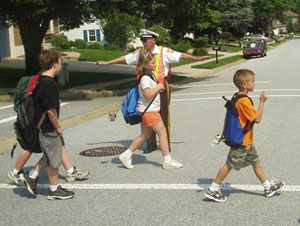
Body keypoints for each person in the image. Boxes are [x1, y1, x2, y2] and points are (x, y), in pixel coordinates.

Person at [97, 29, 210, 154]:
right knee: (147, 115)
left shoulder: (163, 51)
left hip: (161, 88)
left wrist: (196, 59)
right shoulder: (140, 52)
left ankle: (165, 144)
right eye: (142, 40)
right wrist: (107, 62)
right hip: (145, 88)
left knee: (163, 115)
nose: (143, 43)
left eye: (145, 40)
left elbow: (181, 55)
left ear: (153, 40)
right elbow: (125, 58)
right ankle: (151, 145)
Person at [205, 69, 285, 203]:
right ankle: (213, 189)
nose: (254, 83)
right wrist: (262, 102)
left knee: (256, 163)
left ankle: (268, 187)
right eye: (252, 81)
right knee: (229, 165)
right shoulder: (244, 101)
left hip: (247, 141)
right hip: (242, 142)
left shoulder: (237, 96)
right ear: (244, 84)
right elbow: (257, 119)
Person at [19, 50, 74, 200]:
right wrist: (58, 127)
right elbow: (50, 111)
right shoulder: (49, 84)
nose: (60, 66)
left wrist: (55, 102)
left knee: (50, 153)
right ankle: (54, 190)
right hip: (47, 127)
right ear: (54, 63)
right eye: (60, 63)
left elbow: (43, 102)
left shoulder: (39, 80)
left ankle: (32, 175)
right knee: (54, 158)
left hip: (39, 125)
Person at [119, 53, 182, 169]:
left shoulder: (149, 75)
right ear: (145, 65)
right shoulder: (145, 79)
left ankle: (126, 155)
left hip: (146, 111)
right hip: (149, 111)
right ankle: (167, 160)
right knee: (162, 133)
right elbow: (148, 95)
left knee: (145, 135)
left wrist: (158, 87)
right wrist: (157, 88)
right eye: (152, 63)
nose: (155, 65)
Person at [8, 145, 89, 186]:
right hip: (34, 123)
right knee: (30, 146)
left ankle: (70, 171)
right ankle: (20, 173)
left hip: (39, 122)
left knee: (58, 144)